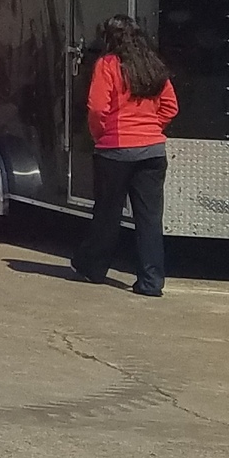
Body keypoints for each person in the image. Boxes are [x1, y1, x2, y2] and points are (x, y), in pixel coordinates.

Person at [75, 15, 178, 296]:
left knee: (107, 214)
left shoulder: (108, 65)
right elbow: (170, 106)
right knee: (149, 219)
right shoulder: (153, 65)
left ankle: (93, 270)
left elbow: (97, 108)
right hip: (153, 151)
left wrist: (100, 135)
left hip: (115, 150)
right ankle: (151, 282)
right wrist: (152, 126)